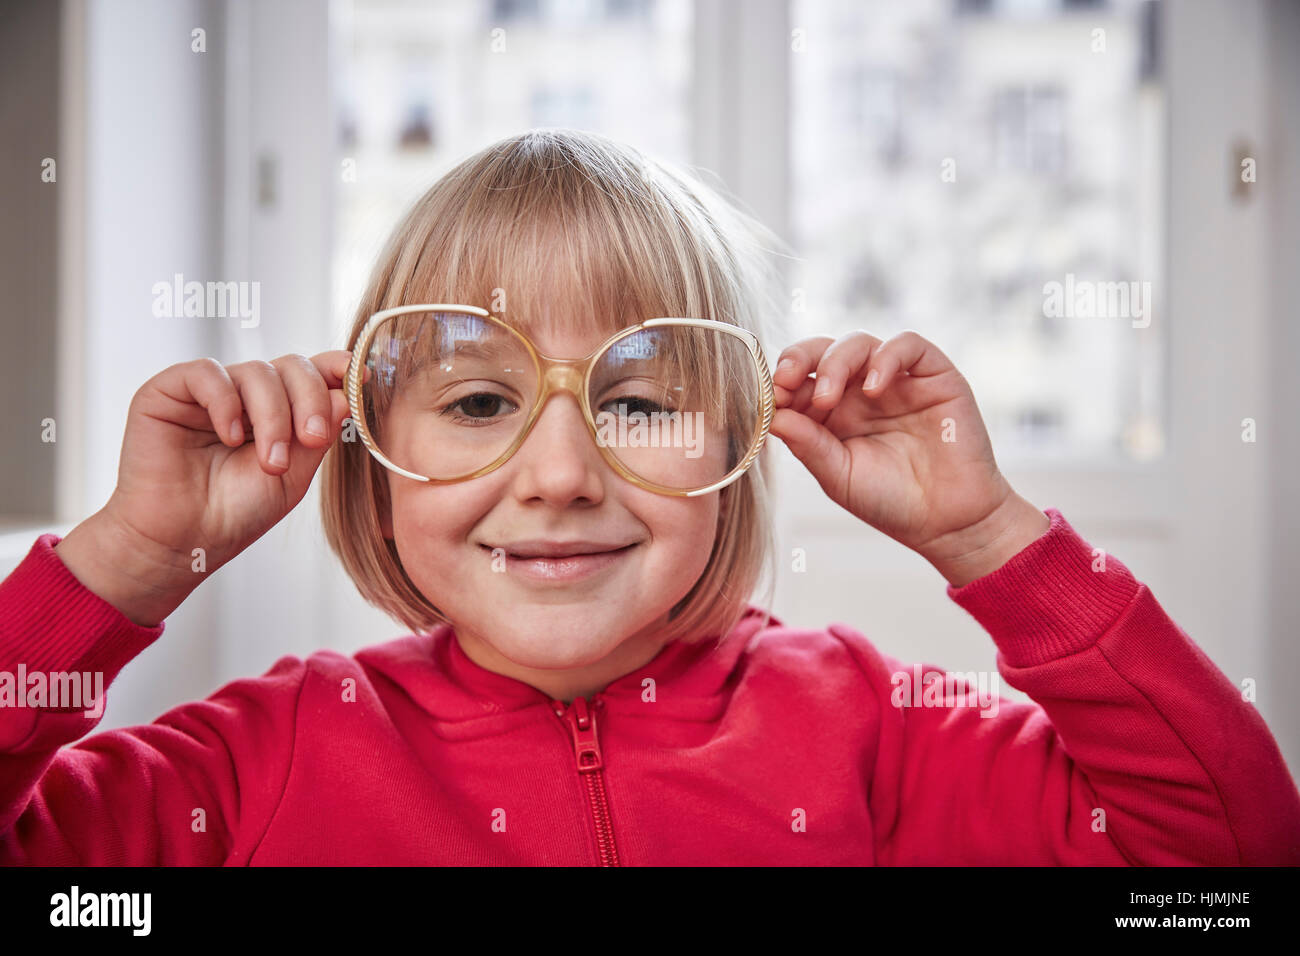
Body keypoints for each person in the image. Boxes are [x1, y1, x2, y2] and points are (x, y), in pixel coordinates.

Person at [2, 128, 1297, 865]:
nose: (562, 476)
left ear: (741, 441)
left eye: (638, 404)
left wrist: (987, 537)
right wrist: (122, 563)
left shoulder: (877, 734)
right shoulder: (258, 765)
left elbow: (1223, 859)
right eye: (477, 401)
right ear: (366, 456)